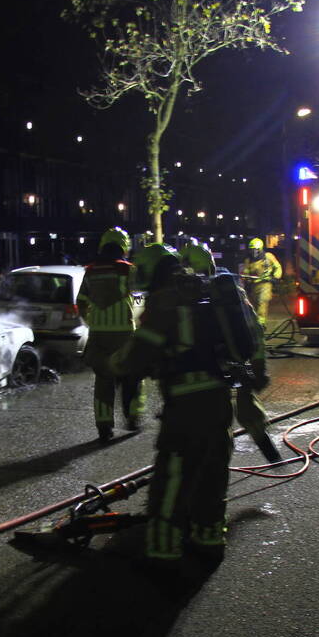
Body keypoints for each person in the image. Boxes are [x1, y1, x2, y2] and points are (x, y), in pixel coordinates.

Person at [108, 243, 235, 566]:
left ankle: (163, 551)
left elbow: (137, 356)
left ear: (151, 271)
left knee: (173, 477)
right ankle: (209, 538)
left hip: (186, 405)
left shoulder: (165, 301)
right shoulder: (206, 291)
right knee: (211, 472)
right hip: (220, 399)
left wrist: (115, 363)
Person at [181, 243, 281, 465]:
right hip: (235, 363)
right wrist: (258, 367)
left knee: (212, 424)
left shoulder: (177, 299)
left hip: (200, 374)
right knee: (245, 404)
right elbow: (253, 329)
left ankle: (211, 466)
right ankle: (263, 442)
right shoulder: (228, 289)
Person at [77, 227, 145, 442]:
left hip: (98, 335)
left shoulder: (90, 271)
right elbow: (142, 293)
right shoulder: (128, 270)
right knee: (132, 377)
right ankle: (132, 418)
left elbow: (81, 301)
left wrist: (91, 322)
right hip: (124, 334)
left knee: (103, 382)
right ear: (124, 246)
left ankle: (104, 427)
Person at [240, 237, 282, 327]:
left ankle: (261, 324)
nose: (253, 252)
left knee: (262, 301)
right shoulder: (248, 260)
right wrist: (246, 281)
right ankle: (256, 322)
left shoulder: (268, 257)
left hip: (265, 284)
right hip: (254, 285)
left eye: (255, 250)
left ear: (260, 249)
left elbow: (277, 267)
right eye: (252, 250)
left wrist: (275, 277)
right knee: (255, 304)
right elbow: (246, 271)